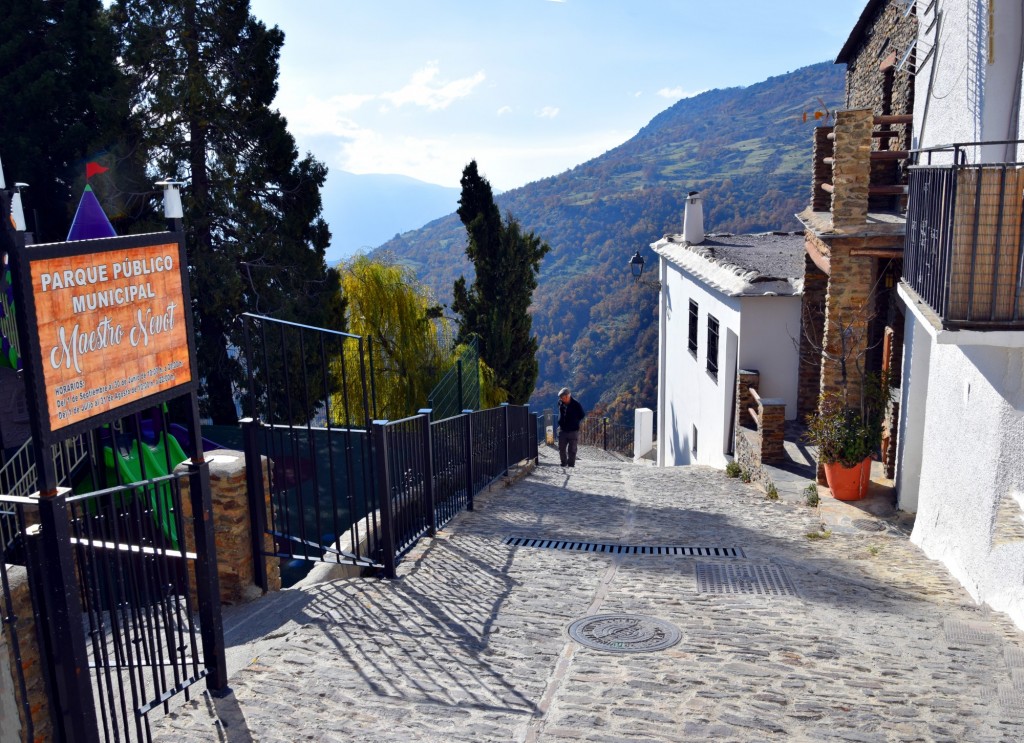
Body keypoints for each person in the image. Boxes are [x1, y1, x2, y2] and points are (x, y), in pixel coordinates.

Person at [557, 387, 585, 467]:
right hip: (563, 430)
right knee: (561, 448)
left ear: (569, 396)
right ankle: (563, 462)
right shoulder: (560, 403)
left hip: (573, 430)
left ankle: (571, 464)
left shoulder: (576, 404)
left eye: (564, 397)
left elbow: (582, 415)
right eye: (561, 398)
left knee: (572, 449)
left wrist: (574, 421)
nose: (563, 399)